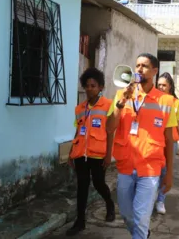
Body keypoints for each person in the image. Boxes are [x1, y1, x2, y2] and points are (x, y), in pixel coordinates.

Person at [106, 53, 177, 239]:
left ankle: (141, 233)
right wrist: (121, 104)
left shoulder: (166, 101)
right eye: (137, 65)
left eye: (144, 66)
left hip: (150, 168)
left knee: (140, 216)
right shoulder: (121, 95)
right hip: (126, 166)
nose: (139, 69)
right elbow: (109, 128)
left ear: (154, 71)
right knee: (127, 215)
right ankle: (143, 234)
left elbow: (170, 141)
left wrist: (169, 173)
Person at [67, 67, 115, 236]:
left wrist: (109, 155)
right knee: (82, 187)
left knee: (99, 184)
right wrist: (71, 152)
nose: (89, 89)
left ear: (100, 87)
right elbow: (77, 130)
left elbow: (110, 132)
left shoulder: (108, 105)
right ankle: (80, 221)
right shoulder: (79, 108)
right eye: (87, 85)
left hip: (98, 154)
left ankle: (109, 204)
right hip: (81, 155)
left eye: (93, 85)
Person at [156, 72, 179, 215]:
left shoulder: (175, 103)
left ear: (170, 87)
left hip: (170, 142)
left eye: (164, 85)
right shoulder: (152, 100)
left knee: (165, 171)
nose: (161, 87)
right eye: (159, 85)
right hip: (154, 141)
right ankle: (151, 197)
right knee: (154, 171)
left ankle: (160, 200)